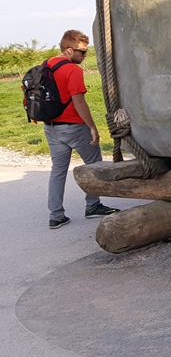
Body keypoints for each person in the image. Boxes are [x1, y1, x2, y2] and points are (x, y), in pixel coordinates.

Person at [43, 29, 119, 229]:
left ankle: (56, 215)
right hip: (74, 127)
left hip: (51, 127)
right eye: (81, 52)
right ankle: (93, 206)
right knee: (94, 164)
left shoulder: (46, 65)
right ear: (69, 50)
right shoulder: (72, 70)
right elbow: (79, 102)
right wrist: (92, 127)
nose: (85, 56)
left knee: (58, 170)